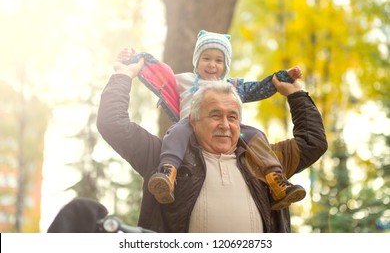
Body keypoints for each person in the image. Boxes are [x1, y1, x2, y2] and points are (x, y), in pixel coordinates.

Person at [96, 57, 328, 233]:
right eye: (215, 115)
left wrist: (296, 95)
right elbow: (113, 124)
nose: (225, 125)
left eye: (233, 117)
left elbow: (313, 142)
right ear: (193, 121)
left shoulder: (266, 159)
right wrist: (123, 76)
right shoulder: (162, 157)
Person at [117, 30, 305, 210]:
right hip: (190, 126)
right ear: (197, 61)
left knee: (256, 135)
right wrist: (134, 59)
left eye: (219, 60)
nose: (212, 65)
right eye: (206, 58)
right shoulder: (185, 81)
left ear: (226, 65)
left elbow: (258, 88)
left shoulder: (231, 86)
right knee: (175, 132)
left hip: (224, 132)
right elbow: (158, 75)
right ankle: (168, 172)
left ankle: (276, 180)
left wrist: (284, 77)